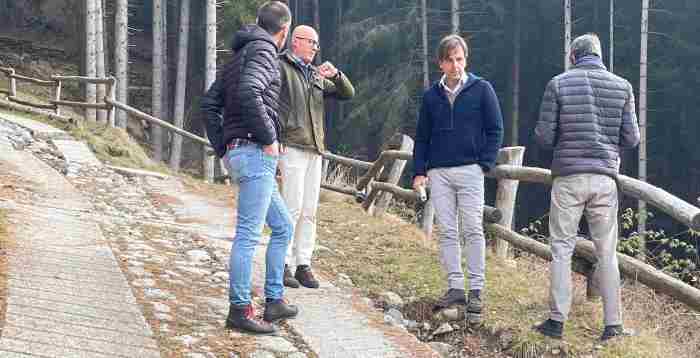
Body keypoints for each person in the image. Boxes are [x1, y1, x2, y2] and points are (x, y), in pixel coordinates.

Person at [533, 33, 640, 341]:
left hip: (568, 177)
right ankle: (613, 325)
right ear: (599, 55)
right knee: (607, 252)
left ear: (573, 56)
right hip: (605, 179)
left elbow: (543, 137)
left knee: (562, 249)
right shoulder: (623, 87)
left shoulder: (558, 84)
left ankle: (556, 322)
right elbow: (632, 139)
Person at [200, 1, 297, 335]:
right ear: (283, 31)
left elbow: (209, 104)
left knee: (283, 225)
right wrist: (269, 138)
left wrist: (223, 148)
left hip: (244, 152)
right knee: (248, 234)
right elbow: (249, 91)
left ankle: (274, 300)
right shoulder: (265, 52)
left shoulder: (239, 55)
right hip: (255, 152)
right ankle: (240, 309)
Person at [411, 34, 503, 323]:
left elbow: (495, 129)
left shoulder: (482, 89)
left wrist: (484, 164)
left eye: (459, 59)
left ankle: (476, 289)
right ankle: (455, 287)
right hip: (438, 172)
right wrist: (419, 172)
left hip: (471, 171)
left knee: (473, 229)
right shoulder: (430, 97)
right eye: (449, 60)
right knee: (448, 230)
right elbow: (422, 138)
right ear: (441, 63)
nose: (455, 65)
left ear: (466, 59)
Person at [276, 25, 355, 289]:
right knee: (291, 207)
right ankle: (283, 263)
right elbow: (270, 104)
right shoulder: (281, 66)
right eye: (311, 43)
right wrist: (275, 141)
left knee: (310, 210)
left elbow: (347, 93)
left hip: (315, 149)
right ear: (296, 41)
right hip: (291, 146)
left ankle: (303, 263)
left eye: (317, 44)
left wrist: (337, 74)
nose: (315, 48)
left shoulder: (316, 75)